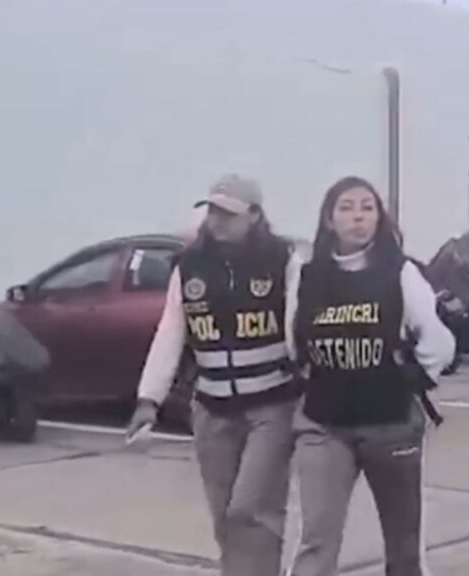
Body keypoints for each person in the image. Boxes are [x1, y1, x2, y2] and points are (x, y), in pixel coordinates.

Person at [127, 174, 304, 576]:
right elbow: (171, 332)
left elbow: (298, 329)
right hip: (212, 409)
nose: (217, 220)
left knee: (252, 507)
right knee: (224, 513)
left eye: (229, 213)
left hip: (271, 406)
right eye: (212, 211)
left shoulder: (283, 260)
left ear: (254, 215)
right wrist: (148, 399)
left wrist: (312, 385)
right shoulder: (190, 266)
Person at [290, 176, 455, 576]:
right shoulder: (306, 275)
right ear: (329, 219)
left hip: (390, 424)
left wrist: (412, 377)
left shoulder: (400, 271)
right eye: (346, 208)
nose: (358, 217)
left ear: (379, 218)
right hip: (324, 424)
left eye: (367, 208)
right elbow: (293, 345)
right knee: (316, 539)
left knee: (403, 544)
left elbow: (438, 341)